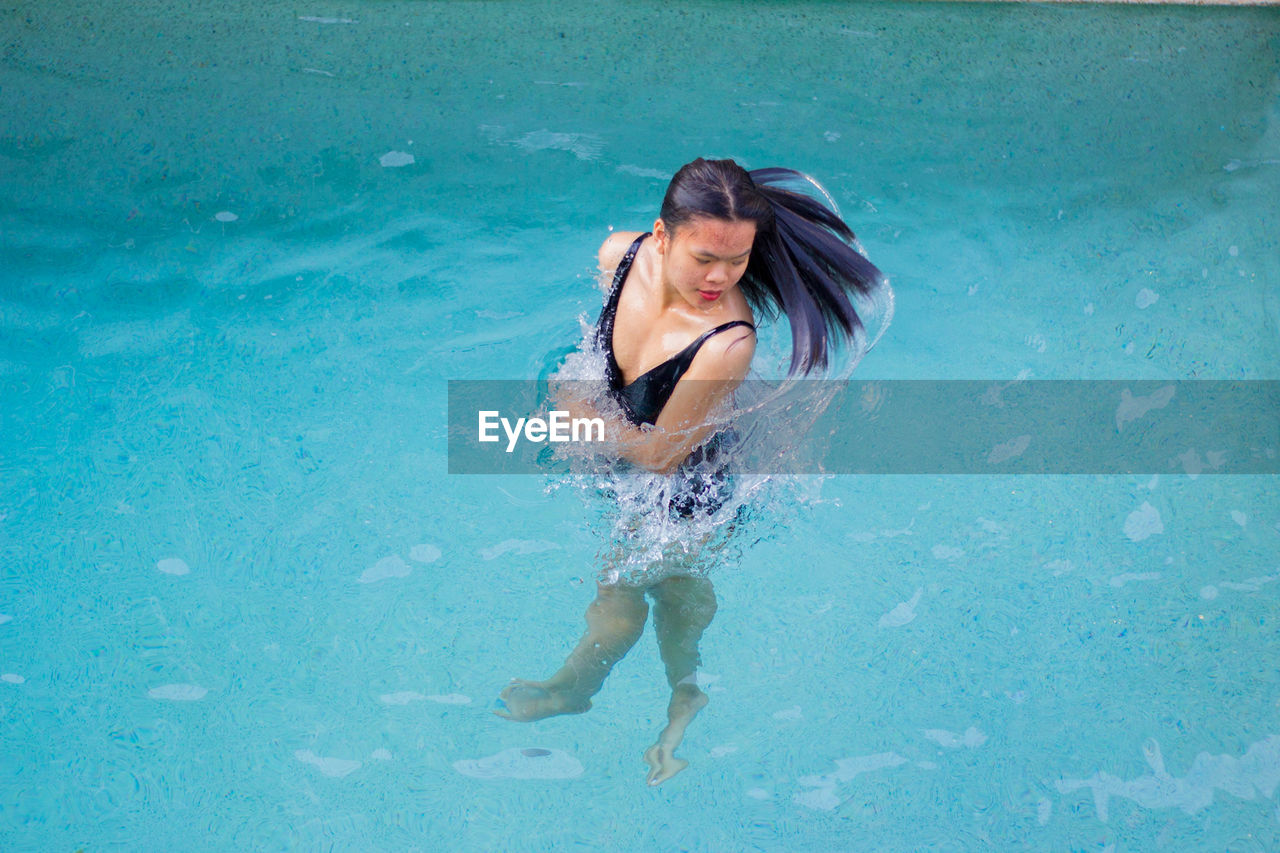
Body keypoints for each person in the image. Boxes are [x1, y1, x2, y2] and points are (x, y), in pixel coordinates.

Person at [494, 158, 886, 785]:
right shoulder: (618, 257)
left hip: (690, 488)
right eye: (704, 257)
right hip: (632, 456)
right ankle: (686, 691)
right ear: (660, 234)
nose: (720, 276)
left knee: (621, 584)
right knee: (672, 589)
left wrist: (574, 417)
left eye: (738, 261)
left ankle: (576, 688)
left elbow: (659, 454)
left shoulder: (727, 341)